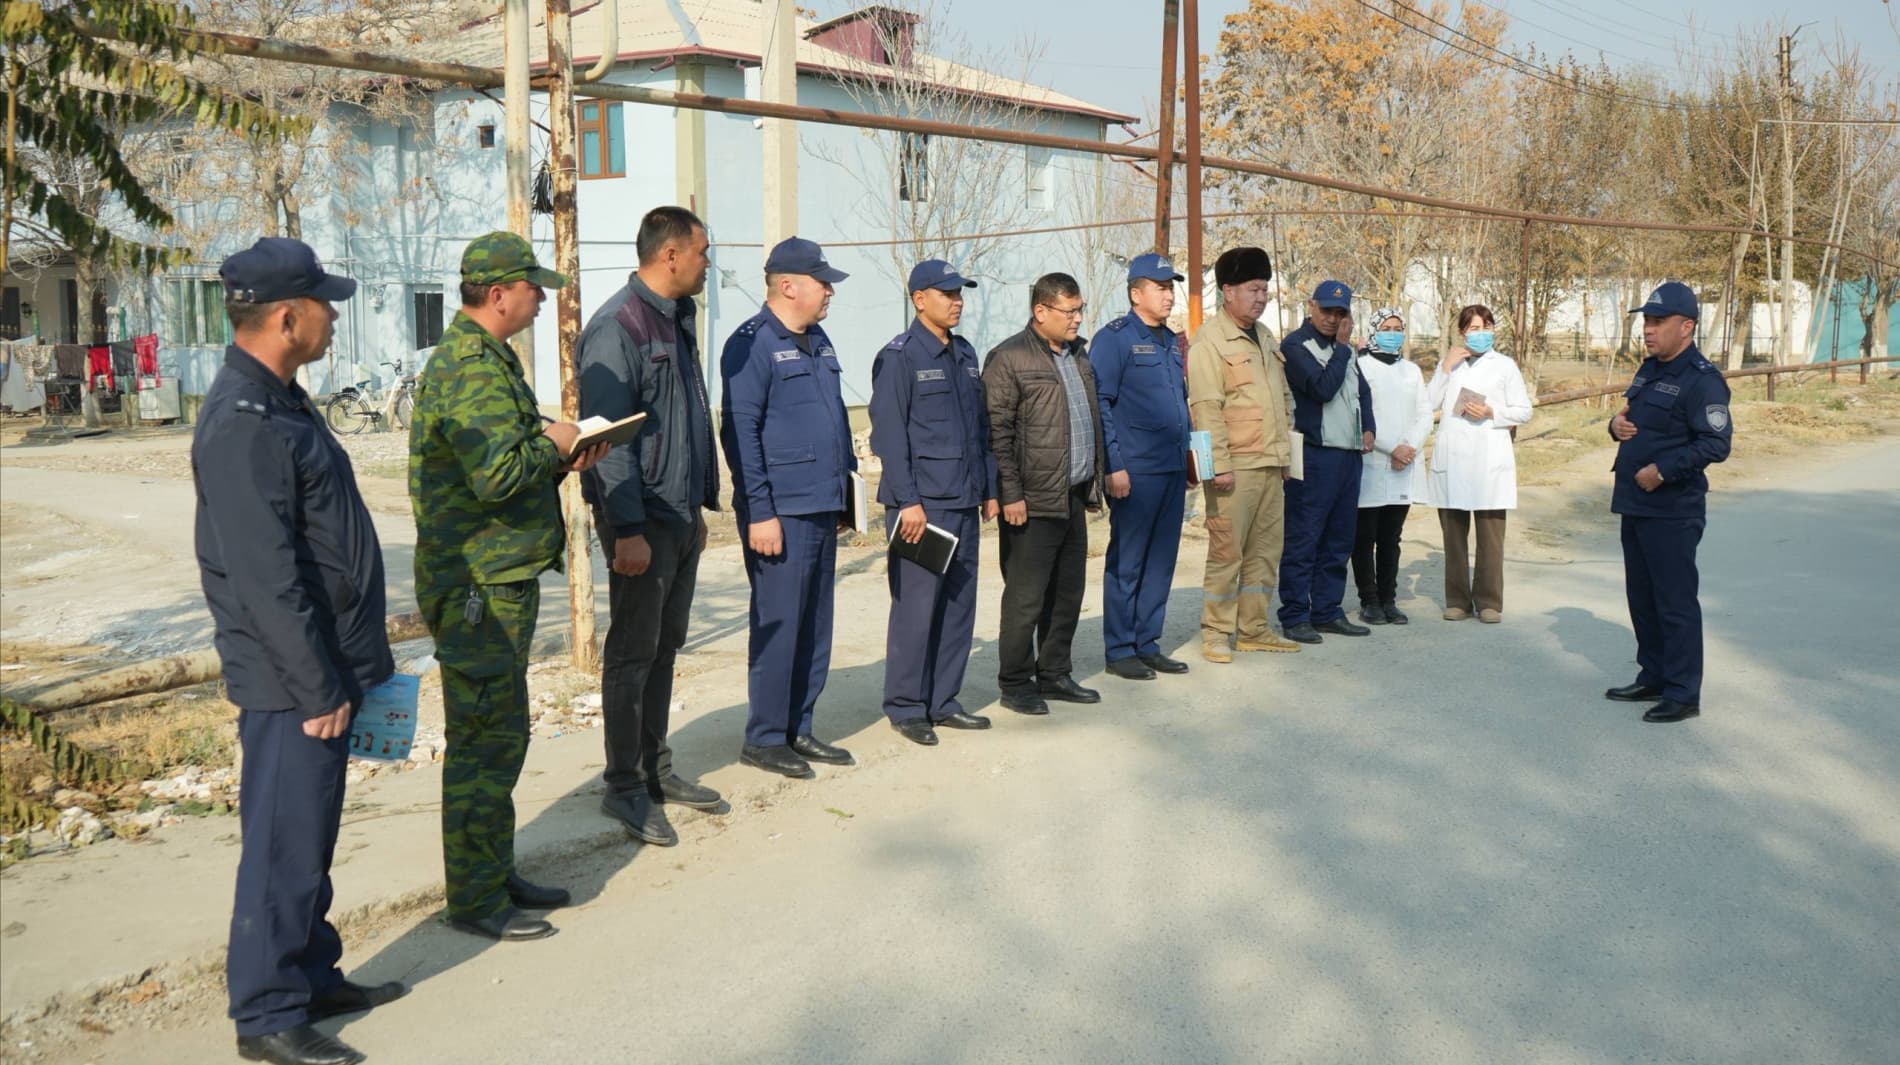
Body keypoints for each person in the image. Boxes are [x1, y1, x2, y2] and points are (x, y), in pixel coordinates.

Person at [196, 238, 403, 1065]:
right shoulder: (241, 421)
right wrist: (318, 686)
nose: (332, 314)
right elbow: (264, 578)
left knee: (311, 833)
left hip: (323, 661)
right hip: (291, 678)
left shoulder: (280, 398)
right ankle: (268, 1009)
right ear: (287, 317)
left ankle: (312, 972)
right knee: (283, 837)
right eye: (323, 303)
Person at [410, 232, 607, 943]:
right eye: (533, 286)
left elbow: (504, 467)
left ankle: (492, 871)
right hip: (477, 585)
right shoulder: (469, 366)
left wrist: (564, 453)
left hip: (499, 576)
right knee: (483, 741)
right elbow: (496, 475)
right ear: (499, 294)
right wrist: (555, 443)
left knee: (501, 734)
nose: (543, 296)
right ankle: (474, 896)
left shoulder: (490, 360)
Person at [577, 206, 723, 848]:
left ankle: (655, 769)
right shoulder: (619, 327)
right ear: (670, 255)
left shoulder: (674, 318)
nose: (707, 262)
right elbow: (611, 446)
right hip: (642, 522)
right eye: (701, 251)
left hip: (678, 515)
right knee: (632, 653)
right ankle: (623, 784)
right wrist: (628, 529)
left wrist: (695, 509)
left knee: (664, 649)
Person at [720, 237, 858, 777]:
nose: (830, 292)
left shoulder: (818, 339)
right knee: (780, 622)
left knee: (815, 623)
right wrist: (760, 511)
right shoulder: (750, 344)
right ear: (787, 285)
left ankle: (800, 726)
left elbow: (835, 419)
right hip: (780, 510)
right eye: (823, 282)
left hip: (821, 502)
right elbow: (740, 433)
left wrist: (845, 495)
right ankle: (765, 736)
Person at [868, 259, 999, 745]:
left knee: (959, 606)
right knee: (916, 608)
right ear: (920, 299)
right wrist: (908, 503)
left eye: (960, 293)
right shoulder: (900, 357)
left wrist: (987, 489)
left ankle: (944, 700)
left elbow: (978, 431)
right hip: (923, 506)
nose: (957, 300)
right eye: (947, 294)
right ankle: (906, 706)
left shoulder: (964, 354)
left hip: (963, 499)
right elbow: (890, 437)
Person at [1606, 282, 1732, 723]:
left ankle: (1682, 693)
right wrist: (1614, 426)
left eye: (1658, 322)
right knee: (1642, 598)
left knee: (1674, 602)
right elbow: (1631, 419)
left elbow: (1715, 444)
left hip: (1673, 510)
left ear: (1687, 326)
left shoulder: (1702, 380)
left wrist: (1663, 470)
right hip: (1636, 505)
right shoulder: (1650, 370)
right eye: (1646, 321)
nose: (1649, 330)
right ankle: (1654, 675)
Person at [983, 273, 1105, 715]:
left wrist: (1093, 480)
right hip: (1030, 501)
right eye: (1068, 312)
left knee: (1067, 592)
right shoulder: (1009, 358)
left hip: (1070, 493)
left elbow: (1087, 419)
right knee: (1026, 598)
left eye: (1079, 310)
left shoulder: (1077, 354)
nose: (1076, 319)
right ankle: (1016, 683)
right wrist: (1009, 493)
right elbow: (997, 433)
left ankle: (1054, 673)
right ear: (1041, 312)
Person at [1185, 246, 1299, 663]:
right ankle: (1216, 632)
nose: (1262, 296)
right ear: (1227, 291)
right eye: (1254, 288)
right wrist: (1218, 467)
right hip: (1235, 468)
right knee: (1226, 552)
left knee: (1266, 552)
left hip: (1270, 464)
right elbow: (1205, 408)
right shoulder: (1209, 342)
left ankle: (1253, 628)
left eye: (1265, 288)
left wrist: (1286, 456)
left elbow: (1282, 398)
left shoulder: (1266, 337)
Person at [1091, 252, 1193, 680]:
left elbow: (1180, 404)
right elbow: (1102, 404)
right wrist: (1113, 465)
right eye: (1160, 287)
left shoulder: (1170, 340)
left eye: (1172, 287)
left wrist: (1189, 461)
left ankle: (1147, 642)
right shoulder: (1113, 339)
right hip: (1135, 471)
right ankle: (1120, 649)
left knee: (1161, 561)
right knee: (1128, 561)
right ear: (1136, 293)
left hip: (1170, 469)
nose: (1169, 295)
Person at [1279, 281, 1377, 644]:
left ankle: (1327, 610)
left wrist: (1369, 426)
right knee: (1305, 537)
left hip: (1348, 456)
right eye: (1326, 311)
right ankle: (1294, 615)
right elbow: (1322, 389)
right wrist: (1340, 349)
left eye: (1340, 313)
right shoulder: (1295, 346)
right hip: (1313, 454)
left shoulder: (1346, 352)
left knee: (1339, 538)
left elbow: (1361, 392)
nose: (1333, 319)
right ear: (1311, 307)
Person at [1424, 304, 1533, 624]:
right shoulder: (1450, 366)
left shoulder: (1505, 366)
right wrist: (1444, 369)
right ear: (1461, 333)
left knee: (1490, 539)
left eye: (1487, 327)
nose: (1482, 333)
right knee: (1454, 538)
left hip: (1489, 462)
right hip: (1453, 462)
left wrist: (1491, 412)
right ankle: (1457, 600)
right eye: (1474, 328)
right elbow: (1427, 404)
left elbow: (1524, 410)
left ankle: (1489, 602)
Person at [1352, 307, 1432, 625]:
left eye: (1398, 327)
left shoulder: (1411, 370)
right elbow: (1359, 415)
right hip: (1372, 460)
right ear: (1373, 330)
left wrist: (1409, 446)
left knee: (1391, 537)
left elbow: (1424, 413)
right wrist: (1390, 448)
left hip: (1404, 464)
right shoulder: (1359, 367)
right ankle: (1369, 600)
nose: (1393, 331)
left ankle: (1389, 599)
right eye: (1386, 326)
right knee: (1364, 536)